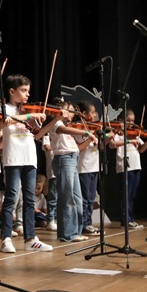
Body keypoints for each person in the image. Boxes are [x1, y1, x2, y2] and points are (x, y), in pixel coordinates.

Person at [0, 74, 52, 254]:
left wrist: (54, 119)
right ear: (12, 91)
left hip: (30, 158)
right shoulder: (4, 109)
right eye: (23, 91)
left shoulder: (28, 112)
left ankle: (30, 238)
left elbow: (38, 135)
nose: (27, 95)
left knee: (29, 199)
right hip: (12, 158)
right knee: (11, 197)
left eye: (28, 91)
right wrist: (27, 116)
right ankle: (6, 237)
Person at [36, 99, 96, 243]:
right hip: (64, 160)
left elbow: (77, 146)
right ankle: (67, 234)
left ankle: (76, 231)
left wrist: (89, 135)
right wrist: (86, 132)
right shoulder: (56, 123)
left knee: (77, 198)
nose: (71, 114)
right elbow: (63, 130)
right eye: (68, 110)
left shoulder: (67, 126)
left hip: (72, 159)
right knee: (67, 198)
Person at [108, 108, 147, 230]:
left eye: (133, 121)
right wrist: (129, 140)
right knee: (126, 195)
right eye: (128, 121)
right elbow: (112, 145)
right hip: (125, 167)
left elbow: (140, 149)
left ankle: (131, 218)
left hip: (136, 166)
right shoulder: (117, 133)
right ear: (121, 120)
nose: (131, 124)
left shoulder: (134, 133)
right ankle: (125, 220)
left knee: (132, 195)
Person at [76, 102, 104, 235]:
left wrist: (103, 138)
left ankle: (89, 223)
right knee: (85, 198)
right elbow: (79, 148)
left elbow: (102, 148)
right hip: (84, 167)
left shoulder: (94, 128)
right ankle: (83, 224)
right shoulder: (79, 129)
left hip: (94, 166)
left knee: (92, 198)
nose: (94, 115)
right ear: (84, 114)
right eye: (92, 113)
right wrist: (90, 135)